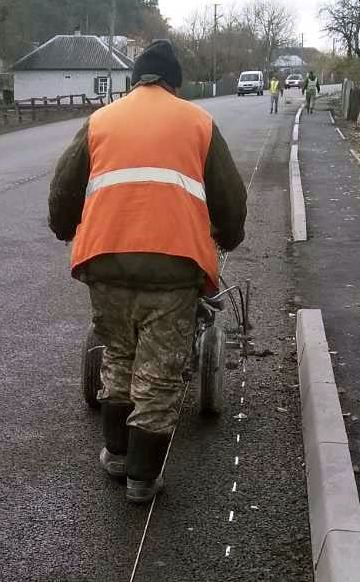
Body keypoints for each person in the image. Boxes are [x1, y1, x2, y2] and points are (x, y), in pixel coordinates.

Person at [48, 38, 247, 503]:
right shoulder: (199, 123)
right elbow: (229, 197)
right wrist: (229, 236)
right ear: (175, 83)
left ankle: (117, 455)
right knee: (158, 373)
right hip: (174, 268)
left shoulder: (100, 120)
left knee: (119, 356)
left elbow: (64, 188)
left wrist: (64, 228)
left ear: (136, 79)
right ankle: (141, 478)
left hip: (105, 261)